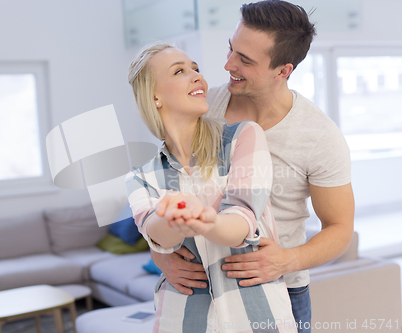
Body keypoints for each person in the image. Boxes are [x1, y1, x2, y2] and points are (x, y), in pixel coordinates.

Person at [150, 1, 355, 332]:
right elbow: (160, 186)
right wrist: (160, 254)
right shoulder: (202, 109)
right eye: (231, 49)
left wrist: (288, 260)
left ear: (283, 70)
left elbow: (340, 228)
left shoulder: (319, 137)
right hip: (203, 286)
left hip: (280, 288)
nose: (228, 63)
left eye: (245, 60)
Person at [126, 42, 297, 332]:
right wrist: (172, 219)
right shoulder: (140, 177)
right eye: (180, 71)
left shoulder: (242, 137)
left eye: (196, 68)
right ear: (154, 96)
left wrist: (202, 219)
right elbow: (156, 234)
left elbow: (242, 220)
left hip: (256, 315)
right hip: (180, 318)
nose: (197, 76)